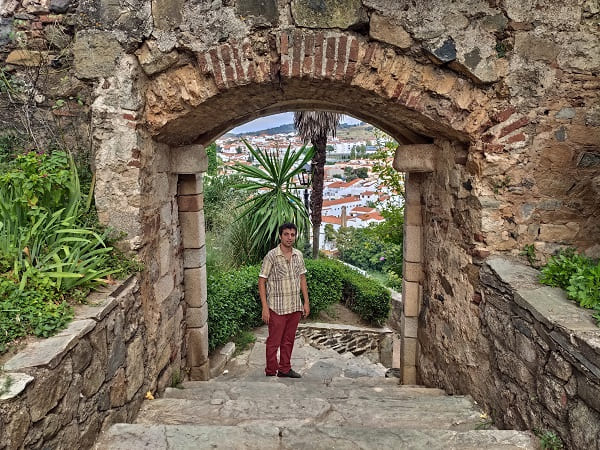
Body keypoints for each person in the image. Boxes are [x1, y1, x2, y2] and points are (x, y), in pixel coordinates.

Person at [258, 222, 310, 378]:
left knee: (288, 341)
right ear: (280, 236)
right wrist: (265, 308)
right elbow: (262, 281)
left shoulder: (298, 255)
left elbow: (302, 278)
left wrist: (306, 302)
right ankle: (270, 371)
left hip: (294, 307)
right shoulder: (272, 256)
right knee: (274, 342)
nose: (289, 237)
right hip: (277, 308)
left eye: (292, 234)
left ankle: (284, 369)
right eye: (286, 234)